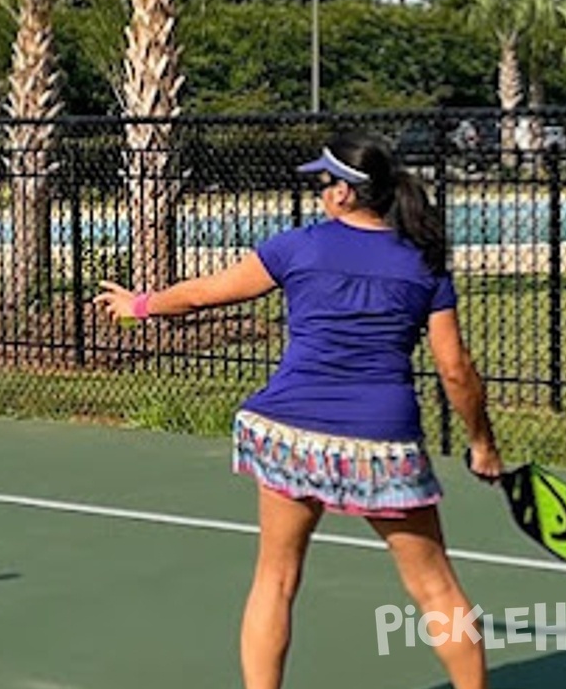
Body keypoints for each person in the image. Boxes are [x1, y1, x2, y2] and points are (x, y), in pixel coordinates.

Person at [93, 131, 504, 689]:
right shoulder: (423, 267)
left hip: (289, 436)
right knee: (436, 590)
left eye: (323, 182)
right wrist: (483, 443)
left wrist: (136, 305)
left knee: (276, 580)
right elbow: (455, 369)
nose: (319, 192)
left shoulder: (298, 247)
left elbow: (202, 294)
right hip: (381, 444)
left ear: (343, 194)